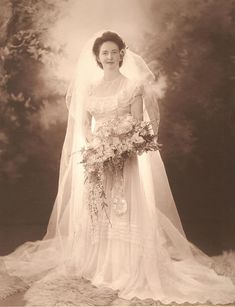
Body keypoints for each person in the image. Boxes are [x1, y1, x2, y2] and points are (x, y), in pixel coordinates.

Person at [0, 30, 235, 305]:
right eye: (104, 53)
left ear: (122, 54)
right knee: (99, 208)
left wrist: (122, 148)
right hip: (98, 156)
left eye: (114, 51)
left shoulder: (132, 86)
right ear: (98, 58)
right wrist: (96, 146)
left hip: (125, 158)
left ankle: (127, 267)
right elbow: (85, 124)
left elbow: (138, 124)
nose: (110, 57)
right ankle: (99, 264)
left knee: (124, 209)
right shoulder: (89, 88)